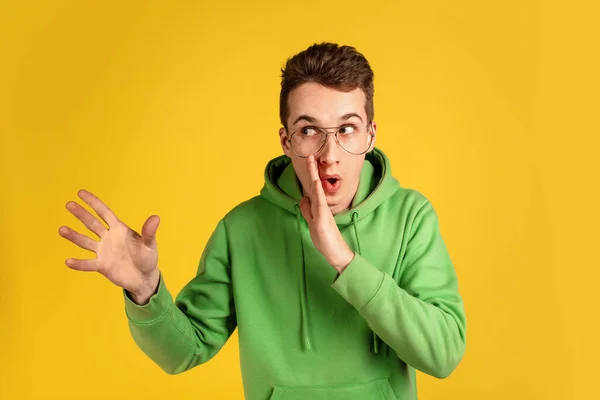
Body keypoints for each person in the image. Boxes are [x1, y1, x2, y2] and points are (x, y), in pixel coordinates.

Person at [59, 42, 466, 400]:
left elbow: (443, 353)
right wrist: (146, 292)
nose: (329, 153)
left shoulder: (411, 216)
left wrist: (344, 260)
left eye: (347, 128)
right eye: (309, 130)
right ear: (287, 140)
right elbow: (185, 351)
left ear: (370, 136)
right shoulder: (242, 229)